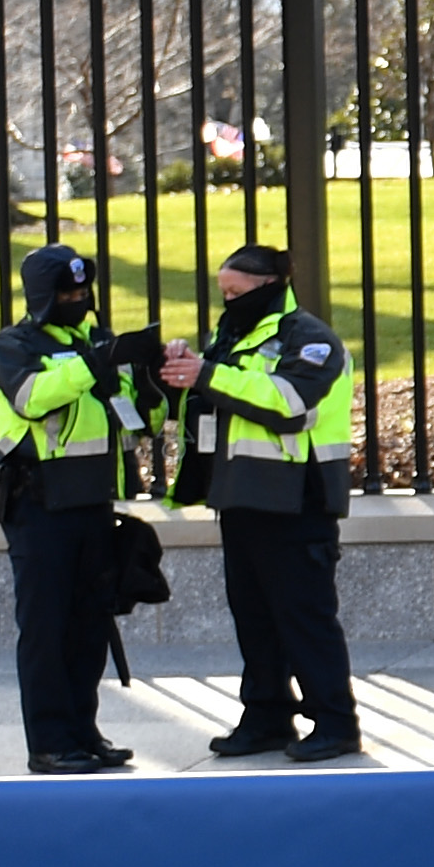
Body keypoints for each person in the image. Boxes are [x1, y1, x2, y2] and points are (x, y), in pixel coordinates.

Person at [158, 244, 362, 763]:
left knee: (304, 616)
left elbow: (288, 404)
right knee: (254, 616)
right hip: (243, 498)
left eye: (236, 292)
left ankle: (335, 722)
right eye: (222, 292)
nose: (227, 302)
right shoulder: (233, 337)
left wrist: (206, 374)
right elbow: (215, 403)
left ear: (269, 285)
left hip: (297, 500)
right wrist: (186, 370)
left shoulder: (311, 340)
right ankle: (267, 716)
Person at [0, 243, 162, 774]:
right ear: (42, 296)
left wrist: (144, 373)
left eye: (83, 291)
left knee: (89, 626)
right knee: (46, 628)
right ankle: (49, 742)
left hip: (92, 502)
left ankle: (84, 732)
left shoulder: (95, 341)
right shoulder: (12, 346)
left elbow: (132, 415)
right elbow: (32, 397)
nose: (77, 299)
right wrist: (94, 363)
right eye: (66, 292)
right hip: (38, 506)